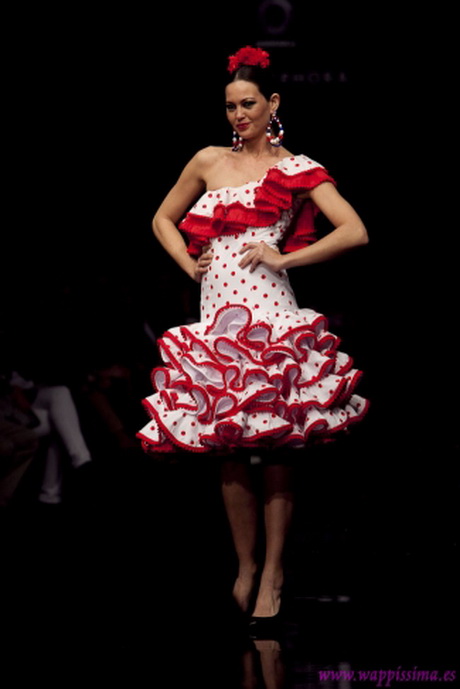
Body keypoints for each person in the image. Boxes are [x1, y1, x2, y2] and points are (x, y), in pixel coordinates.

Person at [137, 46, 369, 630]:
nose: (238, 115)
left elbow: (355, 231)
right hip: (217, 321)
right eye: (230, 106)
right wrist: (188, 266)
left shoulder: (295, 168)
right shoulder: (208, 160)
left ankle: (274, 571)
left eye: (248, 104)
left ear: (273, 105)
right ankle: (244, 565)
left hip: (272, 315)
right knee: (230, 447)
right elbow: (163, 218)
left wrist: (285, 255)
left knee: (279, 446)